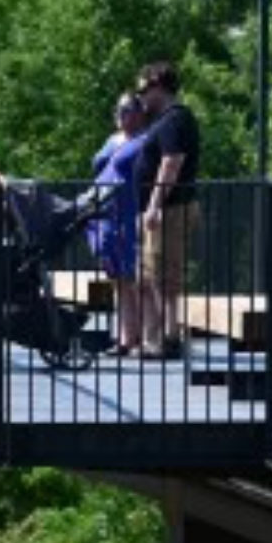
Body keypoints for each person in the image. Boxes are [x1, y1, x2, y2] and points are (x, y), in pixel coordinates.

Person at [133, 60, 200, 361]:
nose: (141, 96)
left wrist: (154, 206)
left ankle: (170, 338)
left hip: (170, 209)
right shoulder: (162, 121)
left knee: (164, 275)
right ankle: (154, 338)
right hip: (159, 209)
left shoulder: (176, 119)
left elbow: (171, 163)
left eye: (144, 89)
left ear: (160, 86)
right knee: (149, 275)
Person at [88, 92, 151, 353]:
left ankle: (136, 337)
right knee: (116, 278)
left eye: (126, 110)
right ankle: (125, 335)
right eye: (119, 110)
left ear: (139, 114)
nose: (120, 115)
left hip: (127, 212)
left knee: (130, 277)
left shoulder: (144, 141)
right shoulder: (112, 140)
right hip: (105, 214)